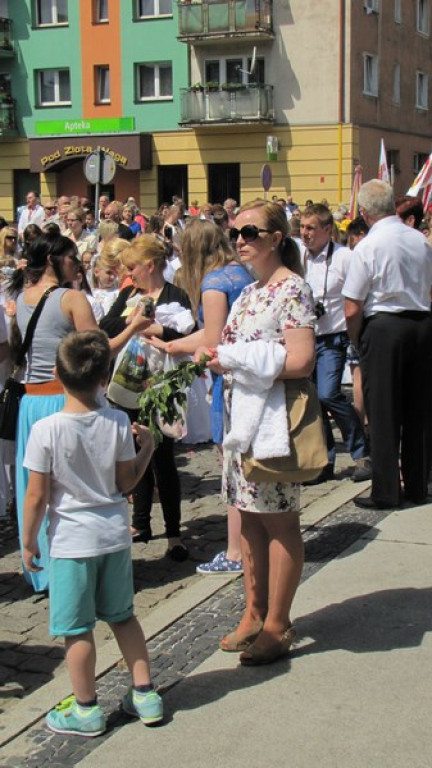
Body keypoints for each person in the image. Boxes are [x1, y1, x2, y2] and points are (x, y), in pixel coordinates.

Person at [22, 329, 163, 736]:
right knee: (124, 618)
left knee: (77, 629)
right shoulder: (118, 420)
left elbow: (36, 497)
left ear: (55, 373)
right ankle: (145, 693)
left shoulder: (46, 430)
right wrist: (147, 449)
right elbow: (126, 483)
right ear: (106, 377)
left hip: (70, 543)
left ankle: (86, 708)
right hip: (113, 537)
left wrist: (30, 541)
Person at [204, 199, 316, 665]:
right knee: (247, 517)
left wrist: (241, 361)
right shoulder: (250, 292)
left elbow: (301, 360)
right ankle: (254, 610)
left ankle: (278, 623)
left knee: (278, 521)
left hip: (273, 423)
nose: (240, 241)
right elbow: (228, 346)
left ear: (276, 239)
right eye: (235, 234)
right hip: (244, 420)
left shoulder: (293, 290)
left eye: (249, 232)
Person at [13, 233, 154, 592]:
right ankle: (80, 565)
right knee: (76, 488)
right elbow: (98, 352)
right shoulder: (72, 297)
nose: (78, 263)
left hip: (31, 401)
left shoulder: (22, 296)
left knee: (36, 486)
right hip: (65, 399)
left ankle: (41, 565)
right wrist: (134, 326)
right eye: (72, 257)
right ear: (52, 261)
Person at [150, 218, 253, 573]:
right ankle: (248, 546)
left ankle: (236, 552)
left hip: (231, 380)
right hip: (251, 377)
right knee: (246, 468)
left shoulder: (214, 282)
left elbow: (212, 337)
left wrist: (172, 345)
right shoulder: (242, 271)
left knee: (232, 470)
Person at [100, 235, 193, 560]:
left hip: (161, 386)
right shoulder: (129, 294)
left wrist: (161, 332)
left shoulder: (175, 295)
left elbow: (189, 332)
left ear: (150, 265)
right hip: (127, 385)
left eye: (132, 267)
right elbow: (106, 325)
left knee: (163, 459)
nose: (128, 274)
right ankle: (140, 524)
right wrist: (133, 321)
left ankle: (173, 534)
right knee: (131, 453)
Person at [343, 179, 432, 509]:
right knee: (417, 410)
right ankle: (418, 485)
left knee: (382, 412)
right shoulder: (419, 240)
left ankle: (385, 491)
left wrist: (357, 338)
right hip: (422, 324)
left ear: (364, 213)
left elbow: (352, 305)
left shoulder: (368, 246)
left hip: (384, 327)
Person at [300, 203, 371, 483]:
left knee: (328, 394)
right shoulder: (297, 255)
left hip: (333, 336)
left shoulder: (345, 257)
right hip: (305, 335)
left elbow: (359, 295)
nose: (305, 233)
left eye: (311, 228)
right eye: (302, 227)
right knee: (314, 402)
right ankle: (323, 461)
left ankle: (361, 451)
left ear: (327, 230)